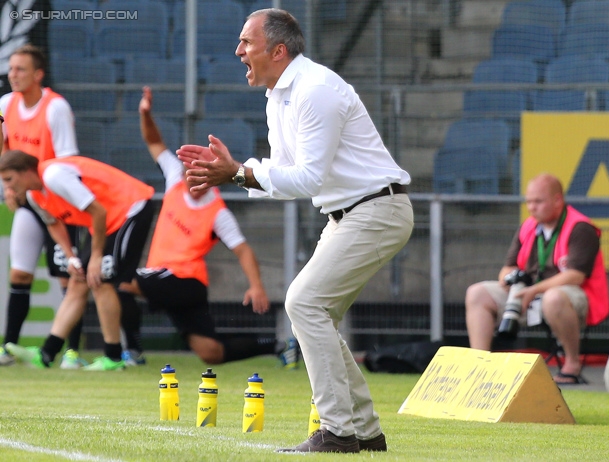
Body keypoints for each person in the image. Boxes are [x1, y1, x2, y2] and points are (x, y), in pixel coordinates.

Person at [176, 9, 413, 453]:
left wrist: (238, 174)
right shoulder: (279, 95)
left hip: (377, 209)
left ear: (278, 50)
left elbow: (306, 179)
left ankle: (339, 433)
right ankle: (364, 431)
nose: (238, 51)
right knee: (314, 314)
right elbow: (287, 176)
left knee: (304, 303)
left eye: (247, 42)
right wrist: (238, 172)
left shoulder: (315, 89)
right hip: (353, 212)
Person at [118, 86, 294, 366]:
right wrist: (145, 114)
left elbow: (243, 250)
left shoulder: (217, 213)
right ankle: (277, 346)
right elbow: (154, 142)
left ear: (211, 174)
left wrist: (256, 285)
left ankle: (132, 352)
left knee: (122, 280)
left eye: (201, 173)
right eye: (191, 172)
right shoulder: (175, 177)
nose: (193, 178)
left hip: (186, 281)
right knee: (211, 353)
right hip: (164, 279)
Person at [0, 150, 155, 371]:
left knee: (99, 279)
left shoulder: (53, 177)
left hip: (130, 208)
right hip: (105, 220)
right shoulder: (35, 195)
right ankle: (46, 354)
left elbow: (98, 211)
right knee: (77, 282)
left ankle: (113, 357)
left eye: (9, 179)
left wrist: (97, 256)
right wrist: (71, 257)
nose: (7, 188)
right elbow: (53, 224)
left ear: (26, 172)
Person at [465, 173, 609, 384]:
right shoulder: (529, 226)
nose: (531, 207)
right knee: (477, 292)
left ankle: (572, 363)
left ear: (557, 200)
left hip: (571, 297)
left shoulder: (580, 227)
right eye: (529, 201)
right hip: (527, 293)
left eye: (538, 201)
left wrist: (534, 290)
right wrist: (508, 279)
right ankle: (478, 366)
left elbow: (576, 276)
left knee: (553, 297)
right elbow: (508, 266)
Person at [0, 44, 88, 367]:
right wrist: (8, 189)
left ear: (38, 74)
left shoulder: (55, 108)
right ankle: (8, 347)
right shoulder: (4, 106)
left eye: (20, 69)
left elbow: (68, 162)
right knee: (20, 274)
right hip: (28, 203)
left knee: (69, 276)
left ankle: (72, 352)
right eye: (11, 69)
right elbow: (3, 153)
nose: (13, 75)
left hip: (58, 204)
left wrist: (43, 193)